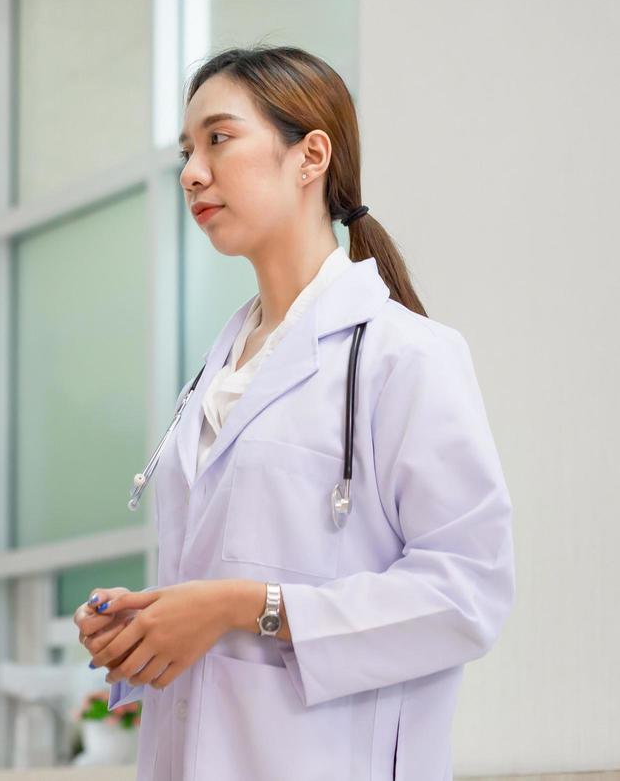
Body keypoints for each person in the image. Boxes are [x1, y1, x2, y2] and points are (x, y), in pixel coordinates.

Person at [74, 47, 514, 779]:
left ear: (310, 155)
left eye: (219, 138)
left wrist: (239, 606)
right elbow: (218, 592)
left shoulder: (403, 356)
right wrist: (151, 624)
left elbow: (468, 593)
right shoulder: (218, 374)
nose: (191, 172)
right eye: (187, 150)